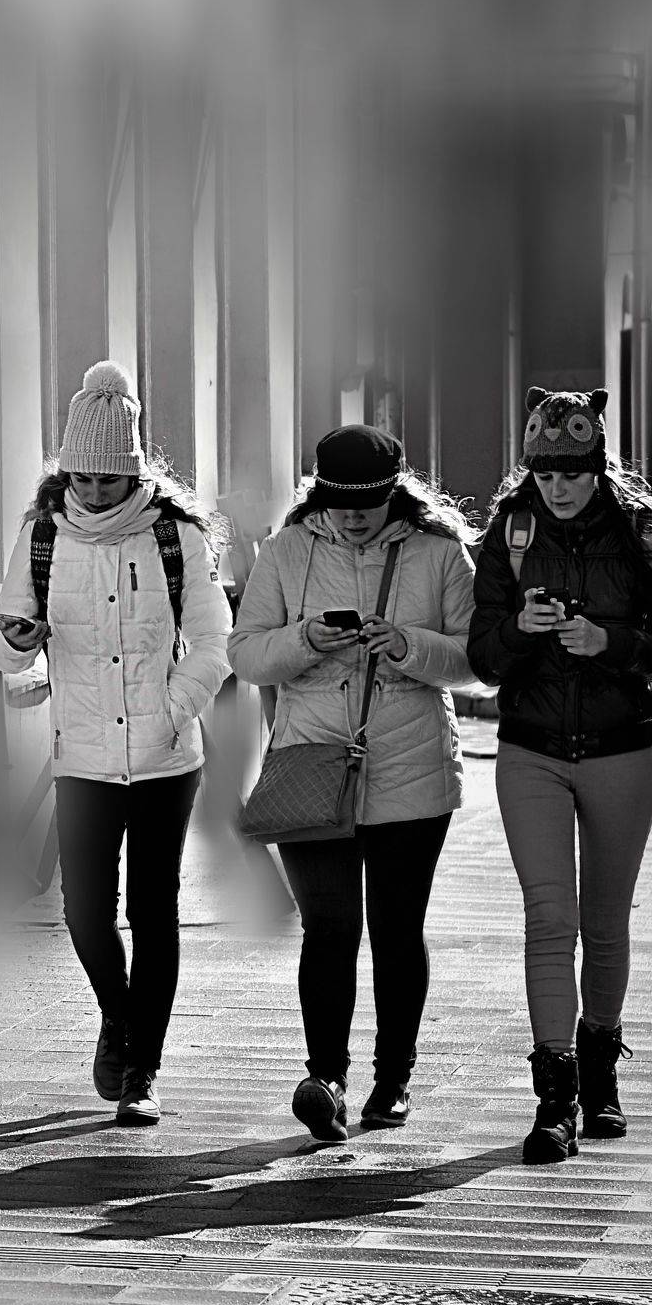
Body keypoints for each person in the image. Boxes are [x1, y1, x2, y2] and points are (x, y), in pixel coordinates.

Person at [0, 360, 232, 1126]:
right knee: (86, 913)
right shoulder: (41, 537)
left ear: (133, 470)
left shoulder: (174, 536)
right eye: (82, 478)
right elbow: (6, 653)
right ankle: (118, 1017)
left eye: (108, 479)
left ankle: (142, 1071)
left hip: (166, 756)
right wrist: (16, 641)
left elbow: (213, 642)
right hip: (83, 757)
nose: (93, 492)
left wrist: (173, 708)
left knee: (154, 911)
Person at [467, 387, 652, 1165]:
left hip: (619, 752)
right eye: (544, 473)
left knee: (604, 923)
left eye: (571, 473)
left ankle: (601, 1072)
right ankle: (554, 1100)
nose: (557, 487)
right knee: (548, 918)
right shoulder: (510, 530)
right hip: (530, 751)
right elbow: (481, 659)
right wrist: (519, 631)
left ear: (598, 466)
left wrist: (611, 643)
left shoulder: (645, 533)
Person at [227, 426, 477, 1143]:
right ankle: (326, 1079)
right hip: (311, 763)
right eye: (340, 504)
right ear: (321, 494)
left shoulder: (438, 554)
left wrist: (407, 645)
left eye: (368, 504)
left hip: (411, 767)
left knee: (396, 930)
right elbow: (245, 654)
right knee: (329, 927)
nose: (354, 516)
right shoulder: (286, 551)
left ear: (394, 493)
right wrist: (306, 639)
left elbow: (476, 662)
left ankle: (393, 1080)